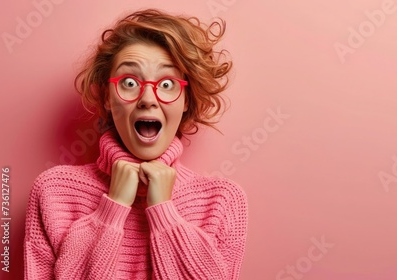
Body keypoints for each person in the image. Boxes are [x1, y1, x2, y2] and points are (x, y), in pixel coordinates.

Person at [24, 9, 248, 280]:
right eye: (130, 82)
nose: (148, 98)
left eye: (167, 83)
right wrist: (111, 210)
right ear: (107, 97)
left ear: (186, 100)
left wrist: (165, 215)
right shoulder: (54, 193)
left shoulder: (221, 202)